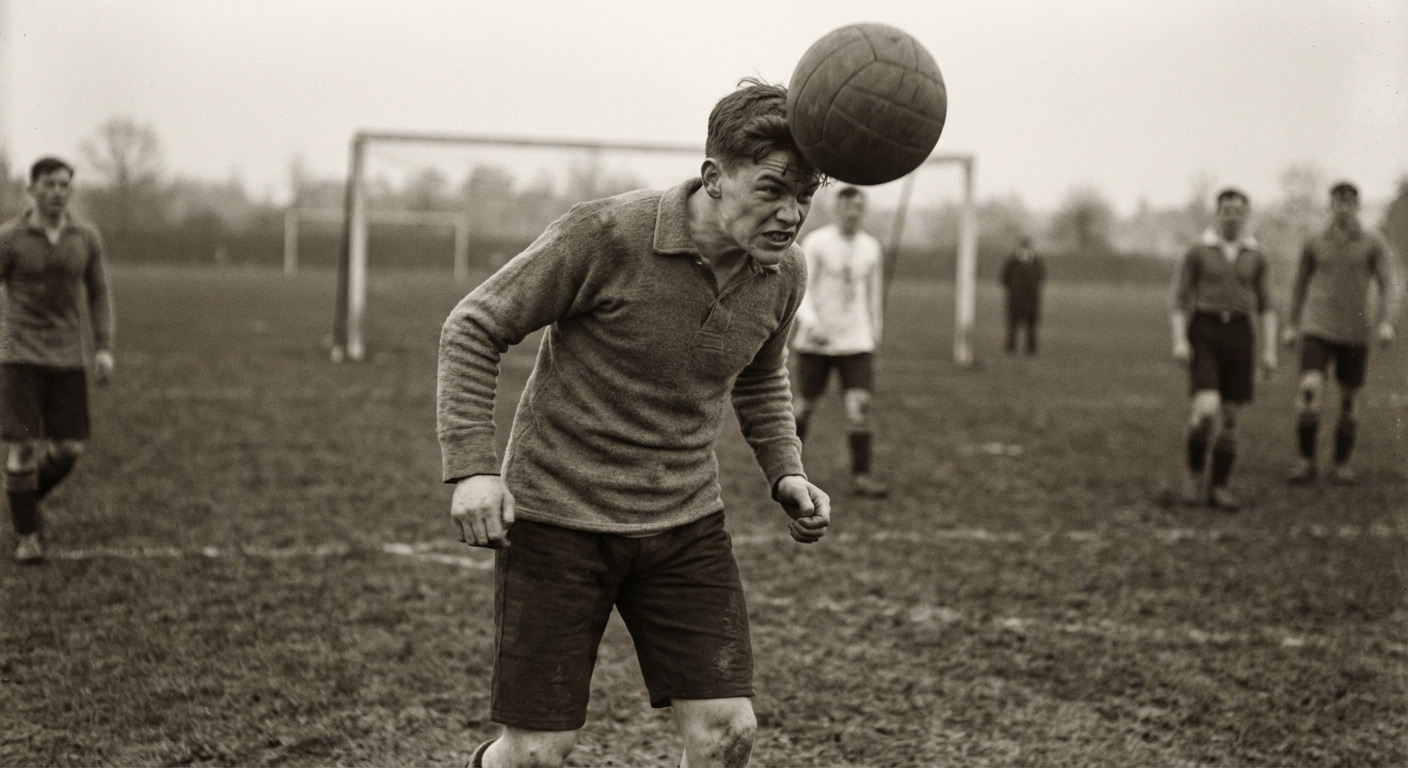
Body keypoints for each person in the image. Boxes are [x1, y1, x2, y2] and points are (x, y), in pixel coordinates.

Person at [438, 79, 831, 768]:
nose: (792, 213)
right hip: (558, 521)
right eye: (773, 189)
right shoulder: (604, 235)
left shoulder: (784, 274)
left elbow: (763, 374)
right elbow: (475, 325)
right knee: (534, 754)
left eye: (807, 193)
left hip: (684, 524)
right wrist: (473, 468)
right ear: (714, 177)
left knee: (728, 732)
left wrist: (787, 472)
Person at [0, 157, 115, 564]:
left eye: (64, 185)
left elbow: (99, 293)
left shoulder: (86, 236)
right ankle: (27, 538)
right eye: (49, 184)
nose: (57, 192)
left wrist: (103, 346)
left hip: (68, 357)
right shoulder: (10, 238)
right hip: (20, 358)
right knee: (25, 447)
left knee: (68, 449)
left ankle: (24, 501)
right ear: (31, 189)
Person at [1283, 181, 1401, 485]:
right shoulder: (1314, 242)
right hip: (1317, 327)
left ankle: (1341, 463)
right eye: (1338, 201)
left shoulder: (1373, 243)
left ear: (1357, 206)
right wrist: (1292, 325)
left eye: (1349, 201)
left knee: (1349, 400)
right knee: (1309, 390)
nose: (1343, 207)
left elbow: (1389, 284)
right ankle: (1305, 461)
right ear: (1331, 205)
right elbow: (1298, 286)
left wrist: (1387, 321)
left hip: (1354, 332)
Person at [1169, 188, 1276, 510]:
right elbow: (1179, 300)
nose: (1232, 215)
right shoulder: (1198, 252)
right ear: (1217, 213)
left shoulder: (1257, 255)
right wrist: (1179, 340)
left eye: (1238, 210)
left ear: (1247, 215)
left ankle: (1219, 487)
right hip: (1204, 329)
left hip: (1241, 333)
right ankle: (1193, 476)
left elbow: (1268, 305)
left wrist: (1270, 350)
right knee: (1206, 408)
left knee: (1230, 416)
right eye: (1226, 209)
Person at [790, 185, 889, 498]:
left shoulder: (872, 247)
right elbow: (801, 290)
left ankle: (862, 477)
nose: (852, 212)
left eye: (858, 207)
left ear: (863, 210)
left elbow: (874, 295)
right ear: (836, 209)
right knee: (805, 405)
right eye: (846, 207)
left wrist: (875, 332)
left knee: (859, 406)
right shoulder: (816, 242)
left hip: (856, 342)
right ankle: (787, 472)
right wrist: (812, 323)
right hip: (816, 341)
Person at [1000, 236, 1045, 354]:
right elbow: (1004, 278)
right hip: (1015, 299)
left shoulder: (1036, 262)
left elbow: (1041, 277)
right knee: (1012, 324)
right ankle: (1011, 347)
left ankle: (1031, 349)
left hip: (1031, 299)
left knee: (1031, 325)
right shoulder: (1012, 262)